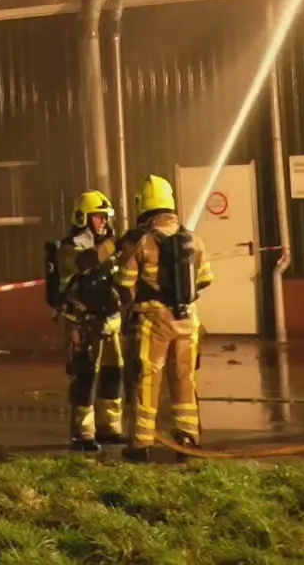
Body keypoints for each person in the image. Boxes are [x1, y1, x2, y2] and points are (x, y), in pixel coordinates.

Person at [115, 175, 214, 462]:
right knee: (184, 378)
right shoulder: (193, 240)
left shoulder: (144, 242)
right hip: (188, 319)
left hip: (153, 319)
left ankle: (141, 443)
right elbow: (206, 279)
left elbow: (125, 282)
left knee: (147, 378)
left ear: (144, 205)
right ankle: (188, 437)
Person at [55, 190, 126, 451]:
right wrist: (117, 244)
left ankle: (110, 428)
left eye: (106, 217)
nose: (104, 222)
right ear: (83, 217)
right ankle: (83, 435)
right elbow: (86, 263)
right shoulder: (70, 246)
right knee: (84, 377)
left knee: (113, 374)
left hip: (109, 322)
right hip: (82, 324)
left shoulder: (109, 243)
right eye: (98, 217)